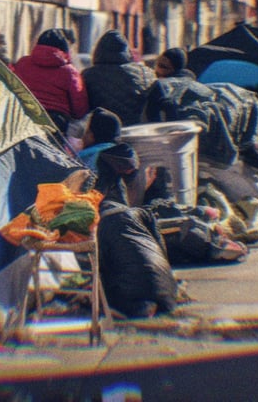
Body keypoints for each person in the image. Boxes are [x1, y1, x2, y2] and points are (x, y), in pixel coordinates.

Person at [94, 142, 178, 318]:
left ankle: (139, 305)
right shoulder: (141, 213)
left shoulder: (101, 225)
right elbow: (161, 250)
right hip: (168, 295)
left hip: (132, 298)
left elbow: (100, 268)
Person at [13, 28, 89, 135]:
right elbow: (79, 107)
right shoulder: (70, 72)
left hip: (23, 117)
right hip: (55, 123)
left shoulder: (22, 63)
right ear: (65, 49)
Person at [82, 30, 157, 125]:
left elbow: (81, 107)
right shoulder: (146, 73)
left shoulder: (89, 75)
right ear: (127, 51)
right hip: (137, 129)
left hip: (102, 129)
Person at [77, 107, 122, 172]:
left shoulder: (84, 158)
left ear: (92, 135)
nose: (83, 137)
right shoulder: (121, 155)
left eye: (87, 132)